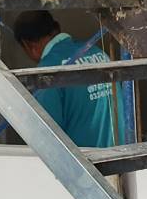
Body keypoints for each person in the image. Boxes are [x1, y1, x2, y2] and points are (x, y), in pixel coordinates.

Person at [11, 9, 127, 149]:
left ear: (29, 45)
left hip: (84, 166)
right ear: (56, 29)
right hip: (119, 157)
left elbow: (46, 137)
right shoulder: (98, 53)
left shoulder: (47, 70)